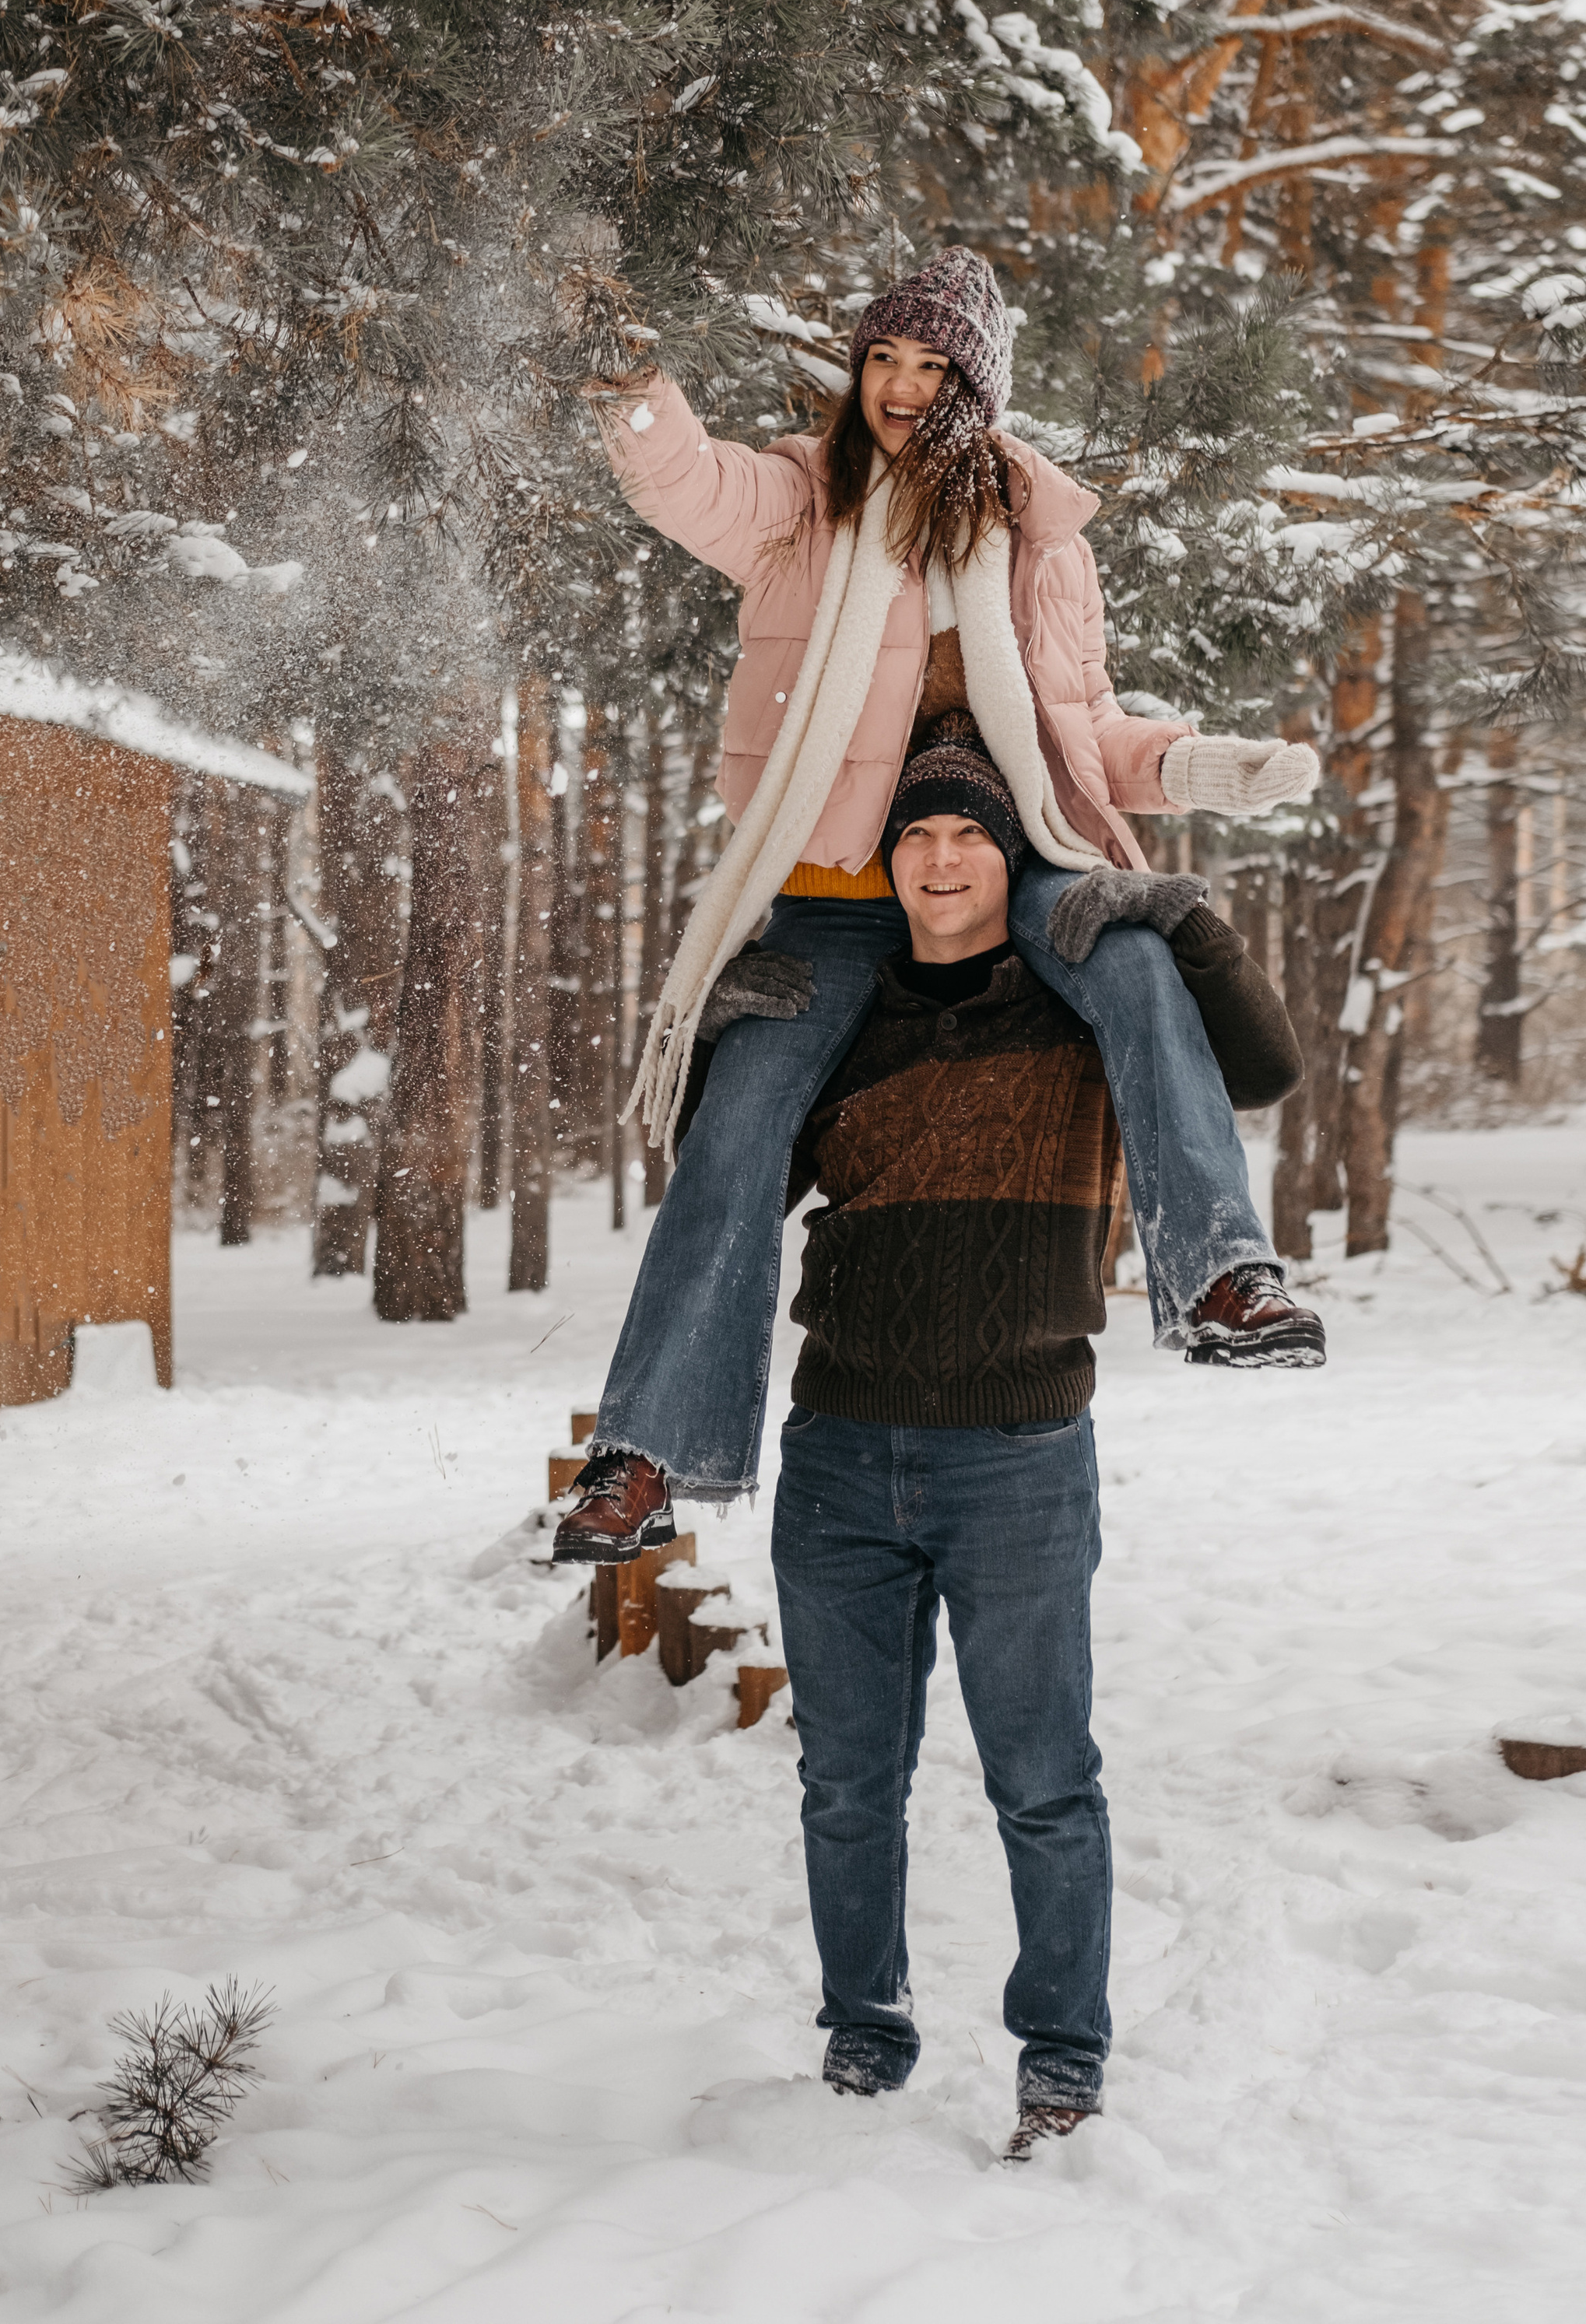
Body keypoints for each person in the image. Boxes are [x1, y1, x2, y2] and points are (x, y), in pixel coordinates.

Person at [557, 247, 1321, 1567]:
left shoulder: (1040, 537)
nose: (902, 387)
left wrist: (1194, 765)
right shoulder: (802, 502)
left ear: (979, 387)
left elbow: (1083, 724)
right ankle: (647, 1453)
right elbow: (683, 480)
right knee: (742, 1113)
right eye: (883, 359)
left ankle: (1220, 1274)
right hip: (840, 888)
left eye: (933, 366)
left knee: (1136, 958)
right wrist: (631, 381)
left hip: (1020, 855)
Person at [768, 724, 1295, 2155]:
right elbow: (729, 1160)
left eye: (971, 837)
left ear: (1014, 860)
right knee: (845, 1784)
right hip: (838, 1451)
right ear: (889, 865)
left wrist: (1184, 925)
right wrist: (725, 1028)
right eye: (917, 838)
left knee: (1044, 1783)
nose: (942, 862)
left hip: (1017, 1457)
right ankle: (863, 2032)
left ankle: (1063, 2058)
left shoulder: (1085, 1013)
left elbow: (1262, 1070)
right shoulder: (847, 1019)